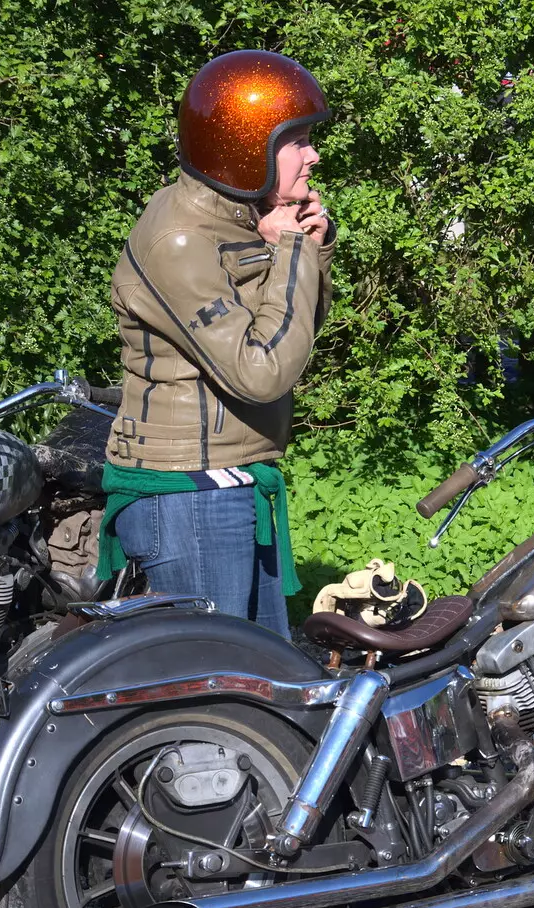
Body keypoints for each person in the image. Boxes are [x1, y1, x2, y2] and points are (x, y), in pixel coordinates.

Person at [95, 51, 334, 638]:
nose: (314, 155)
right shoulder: (180, 240)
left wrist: (310, 251)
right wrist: (293, 255)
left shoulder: (240, 219)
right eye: (297, 141)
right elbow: (262, 372)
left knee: (265, 686)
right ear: (246, 147)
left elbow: (290, 331)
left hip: (230, 484)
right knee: (219, 693)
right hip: (190, 497)